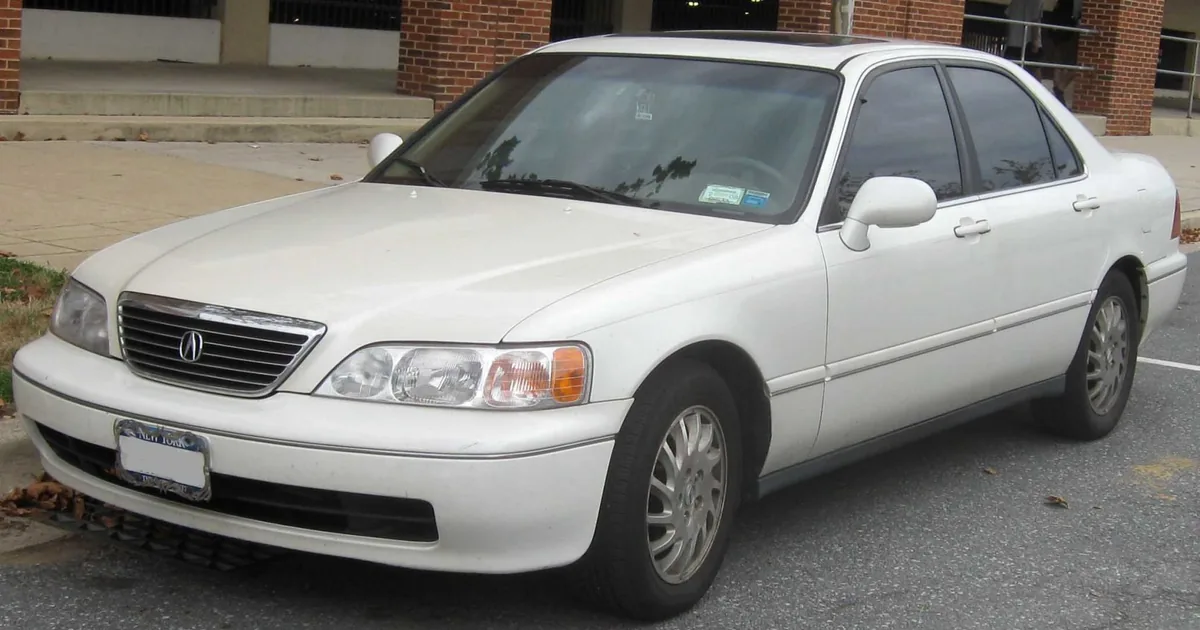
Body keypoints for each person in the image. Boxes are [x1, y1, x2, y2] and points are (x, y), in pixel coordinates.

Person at [1043, 0, 1083, 105]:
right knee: (1074, 66)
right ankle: (1059, 89)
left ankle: (1057, 92)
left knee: (1059, 64)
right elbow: (1077, 16)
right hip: (1069, 35)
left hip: (1058, 34)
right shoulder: (1076, 3)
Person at [1004, 0, 1045, 67]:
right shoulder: (1038, 1)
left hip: (1013, 43)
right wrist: (1035, 42)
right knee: (1032, 71)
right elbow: (1035, 20)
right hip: (1028, 44)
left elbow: (1008, 17)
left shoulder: (1015, 1)